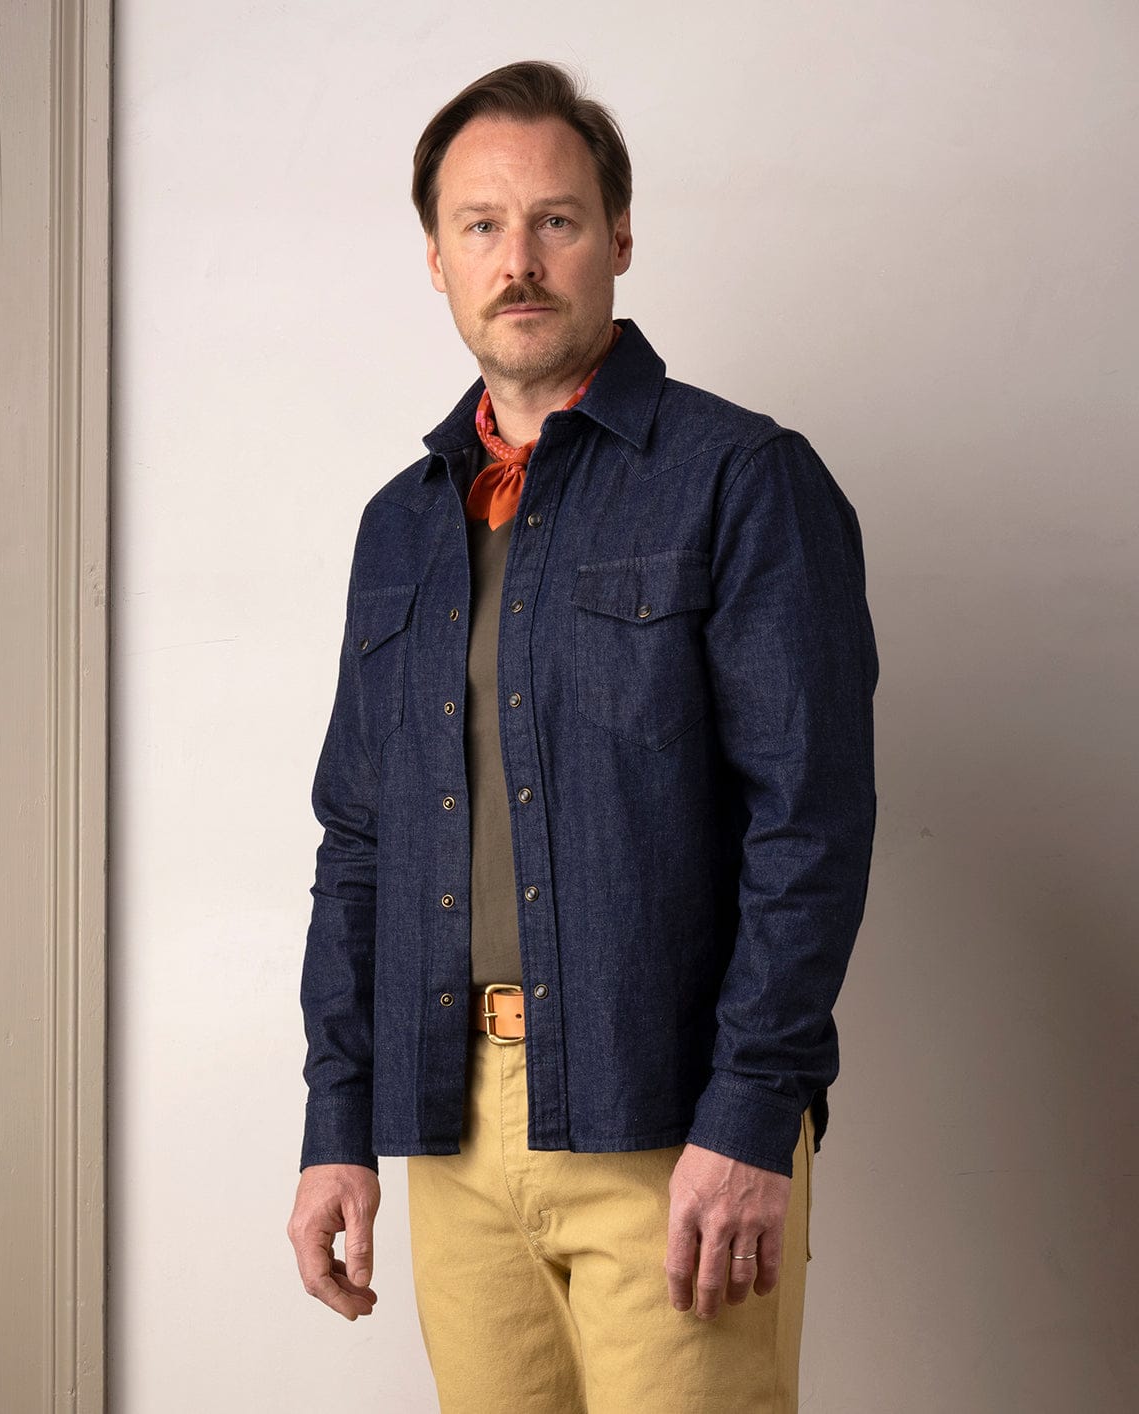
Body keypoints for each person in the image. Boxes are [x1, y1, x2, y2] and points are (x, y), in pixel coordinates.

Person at [287, 59, 877, 1413]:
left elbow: (813, 822)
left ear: (619, 237)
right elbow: (359, 839)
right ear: (434, 258)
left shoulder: (742, 480)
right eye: (482, 226)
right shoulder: (401, 524)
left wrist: (749, 1117)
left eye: (556, 219)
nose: (520, 259)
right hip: (453, 1128)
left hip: (667, 1124)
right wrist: (339, 1123)